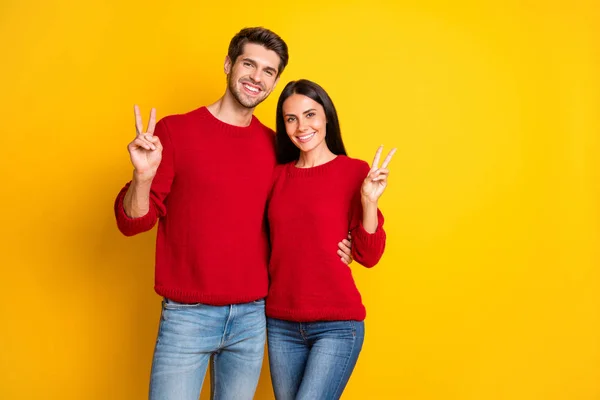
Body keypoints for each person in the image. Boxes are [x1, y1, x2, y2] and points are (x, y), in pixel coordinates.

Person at [113, 29, 353, 399]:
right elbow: (134, 222)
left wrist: (349, 239)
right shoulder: (175, 131)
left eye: (269, 71)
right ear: (228, 64)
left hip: (252, 319)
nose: (257, 77)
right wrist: (141, 178)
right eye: (249, 64)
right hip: (186, 316)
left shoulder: (275, 145)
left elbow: (304, 204)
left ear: (274, 82)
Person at [266, 79, 396, 400]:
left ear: (327, 117)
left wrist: (369, 201)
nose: (302, 126)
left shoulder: (353, 172)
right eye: (291, 119)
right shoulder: (276, 175)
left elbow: (368, 256)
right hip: (280, 323)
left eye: (311, 115)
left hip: (337, 325)